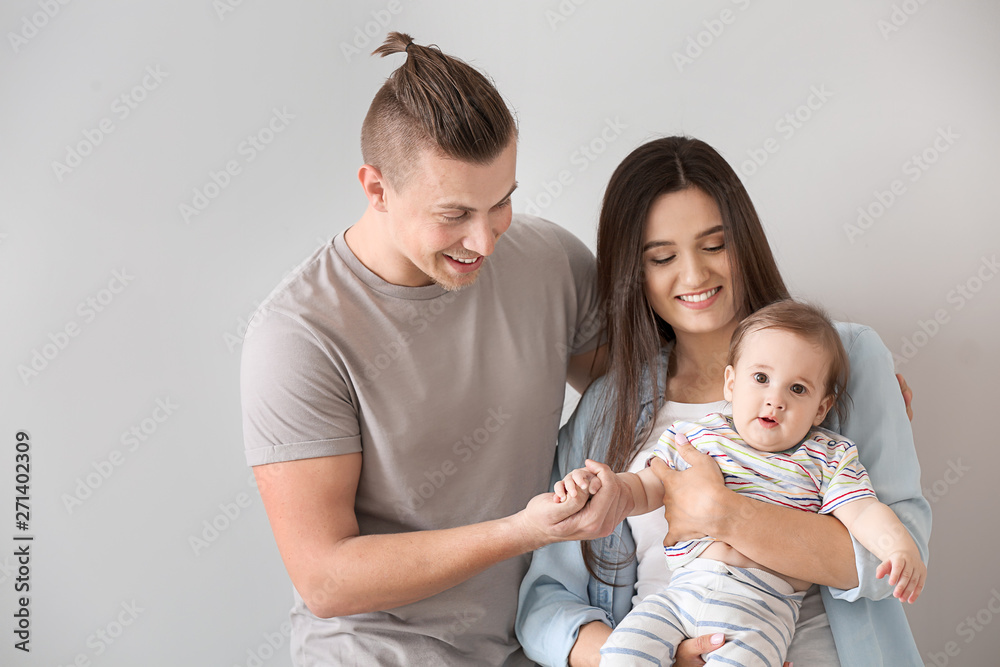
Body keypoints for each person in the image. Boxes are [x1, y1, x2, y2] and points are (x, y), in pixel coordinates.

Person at [240, 32, 631, 666]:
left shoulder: (549, 260)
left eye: (501, 201)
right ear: (376, 188)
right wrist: (519, 532)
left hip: (541, 640)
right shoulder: (298, 337)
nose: (484, 239)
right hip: (378, 652)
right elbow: (325, 578)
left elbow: (639, 402)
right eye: (453, 214)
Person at [516, 136, 931, 667]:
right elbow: (544, 604)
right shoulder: (608, 408)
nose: (694, 276)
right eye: (662, 257)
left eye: (714, 246)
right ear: (634, 273)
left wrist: (725, 513)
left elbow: (893, 557)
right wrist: (654, 658)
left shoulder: (847, 359)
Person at [554, 300, 926, 666]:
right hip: (680, 595)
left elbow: (862, 511)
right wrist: (611, 488)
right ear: (731, 383)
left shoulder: (828, 457)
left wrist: (899, 547)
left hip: (759, 615)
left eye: (797, 389)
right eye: (761, 379)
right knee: (621, 653)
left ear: (821, 409)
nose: (774, 400)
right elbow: (650, 485)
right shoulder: (699, 437)